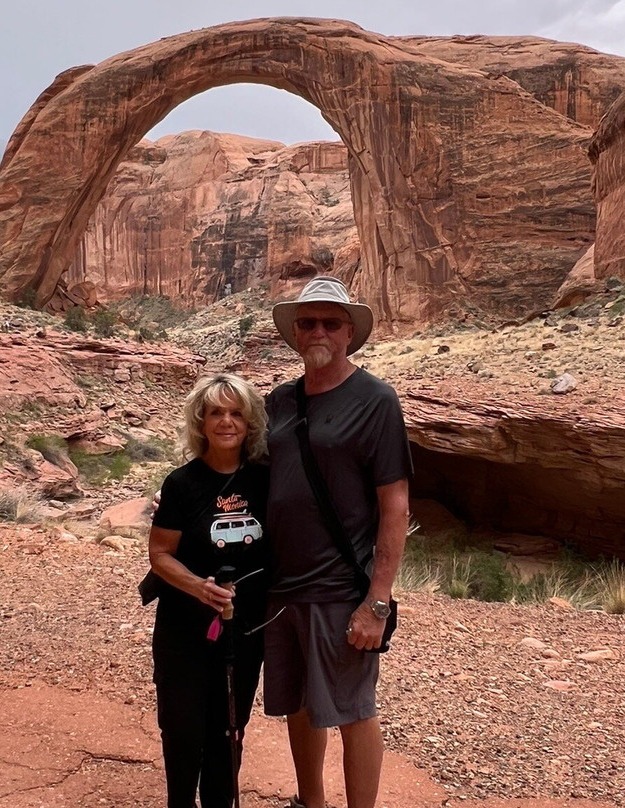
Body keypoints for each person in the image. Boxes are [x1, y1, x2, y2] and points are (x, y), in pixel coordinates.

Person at [263, 276, 413, 808]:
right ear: (295, 333)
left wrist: (378, 602)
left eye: (331, 322)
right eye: (308, 323)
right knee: (300, 703)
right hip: (281, 587)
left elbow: (395, 507)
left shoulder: (375, 401)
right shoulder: (280, 401)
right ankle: (310, 802)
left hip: (339, 588)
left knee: (352, 709)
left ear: (349, 332)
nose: (319, 331)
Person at [148, 372, 271, 808]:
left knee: (229, 730)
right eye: (216, 412)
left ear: (250, 422)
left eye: (236, 412)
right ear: (201, 421)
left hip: (244, 631)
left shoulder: (266, 480)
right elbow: (160, 554)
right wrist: (199, 588)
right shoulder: (181, 484)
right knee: (182, 731)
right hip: (184, 630)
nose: (226, 422)